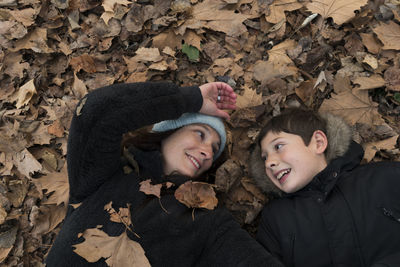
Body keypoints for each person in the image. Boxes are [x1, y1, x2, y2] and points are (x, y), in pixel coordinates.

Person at [45, 81, 283, 266]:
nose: (207, 153)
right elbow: (94, 113)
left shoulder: (205, 220)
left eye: (213, 149)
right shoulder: (104, 175)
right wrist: (191, 99)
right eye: (200, 134)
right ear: (168, 132)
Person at [249, 108, 400, 267]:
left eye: (278, 146)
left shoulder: (386, 177)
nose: (269, 163)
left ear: (318, 143)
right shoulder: (275, 219)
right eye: (264, 157)